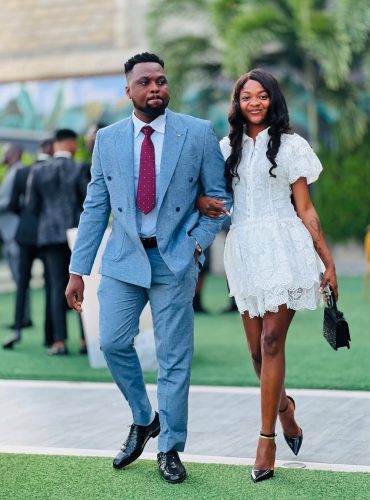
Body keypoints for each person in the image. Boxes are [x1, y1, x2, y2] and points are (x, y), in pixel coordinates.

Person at [65, 52, 231, 483]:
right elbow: (95, 207)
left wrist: (196, 245)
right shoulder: (108, 139)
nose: (155, 87)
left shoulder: (197, 132)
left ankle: (169, 447)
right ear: (129, 91)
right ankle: (144, 418)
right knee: (112, 342)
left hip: (174, 259)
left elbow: (219, 200)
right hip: (123, 259)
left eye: (160, 80)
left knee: (174, 359)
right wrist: (77, 270)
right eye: (145, 82)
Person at [197, 69, 338, 483]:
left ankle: (266, 441)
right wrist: (203, 202)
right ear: (237, 104)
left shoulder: (292, 146)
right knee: (257, 355)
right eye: (246, 97)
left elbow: (305, 209)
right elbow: (208, 196)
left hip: (285, 246)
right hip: (243, 250)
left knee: (273, 341)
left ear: (272, 99)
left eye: (261, 96)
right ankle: (285, 409)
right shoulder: (225, 148)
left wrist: (327, 262)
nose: (254, 102)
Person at [28, 129, 86, 355]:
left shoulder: (39, 170)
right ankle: (84, 340)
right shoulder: (80, 168)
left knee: (55, 286)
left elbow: (32, 206)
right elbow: (87, 203)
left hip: (49, 236)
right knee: (80, 285)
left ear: (55, 145)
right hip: (76, 235)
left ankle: (59, 341)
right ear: (71, 144)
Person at [3, 139, 54, 349]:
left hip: (25, 233)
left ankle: (17, 329)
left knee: (22, 283)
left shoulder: (22, 172)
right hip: (50, 235)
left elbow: (13, 204)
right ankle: (51, 337)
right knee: (51, 284)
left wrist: (26, 219)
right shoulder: (54, 171)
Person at [0, 144, 32, 328]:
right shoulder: (12, 171)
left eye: (6, 152)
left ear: (15, 153)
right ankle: (23, 317)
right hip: (8, 232)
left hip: (14, 231)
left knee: (20, 277)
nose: (3, 155)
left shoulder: (18, 171)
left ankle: (24, 318)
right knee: (18, 277)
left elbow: (14, 201)